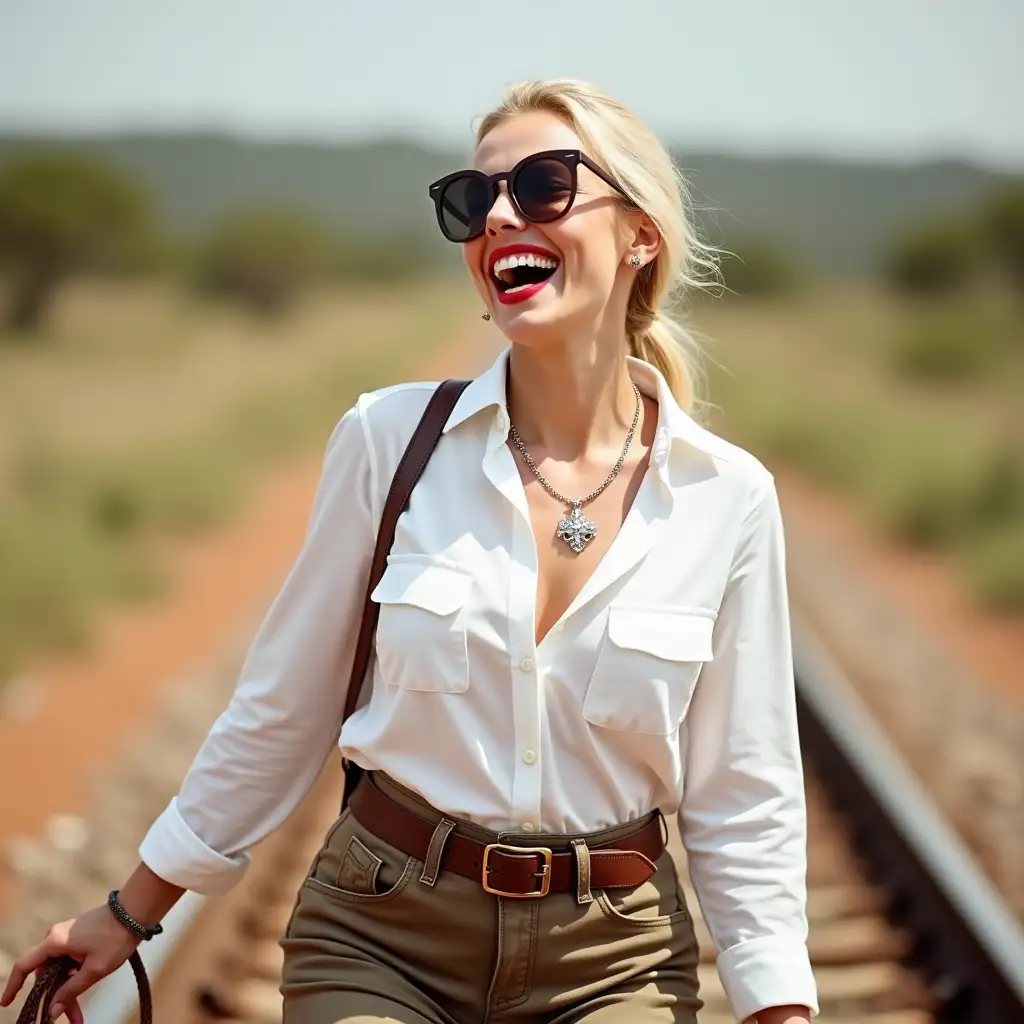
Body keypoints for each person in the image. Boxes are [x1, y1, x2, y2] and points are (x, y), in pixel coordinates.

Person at [2, 79, 818, 1024]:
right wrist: (129, 911)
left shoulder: (729, 497)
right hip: (382, 930)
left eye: (545, 185)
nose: (500, 215)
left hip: (614, 960)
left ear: (641, 232)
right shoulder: (389, 441)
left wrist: (778, 1004)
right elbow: (285, 707)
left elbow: (744, 791)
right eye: (474, 200)